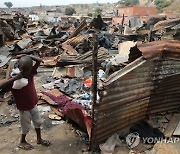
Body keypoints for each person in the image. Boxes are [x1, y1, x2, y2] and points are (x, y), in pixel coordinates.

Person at [0, 55, 51, 150]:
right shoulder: (15, 80)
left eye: (26, 69)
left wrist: (27, 55)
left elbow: (39, 60)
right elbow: (1, 85)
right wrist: (14, 78)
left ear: (30, 69)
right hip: (24, 108)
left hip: (33, 104)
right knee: (25, 126)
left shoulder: (30, 74)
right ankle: (22, 141)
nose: (23, 72)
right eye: (22, 69)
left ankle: (39, 139)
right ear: (18, 67)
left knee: (38, 122)